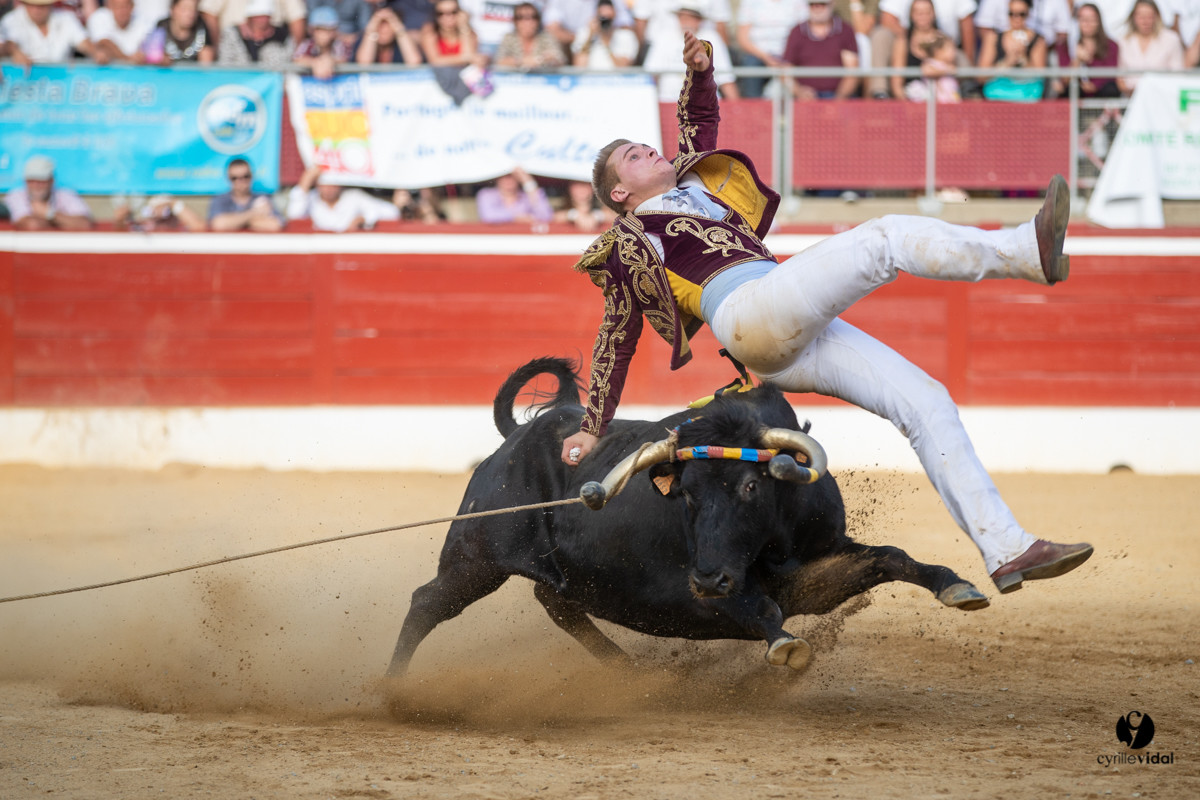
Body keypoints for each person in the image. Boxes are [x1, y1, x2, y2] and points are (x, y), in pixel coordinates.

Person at [561, 32, 1093, 595]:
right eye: (632, 156)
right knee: (884, 237)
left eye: (646, 145)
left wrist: (699, 71)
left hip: (781, 325)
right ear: (619, 194)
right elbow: (615, 339)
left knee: (926, 400)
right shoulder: (626, 241)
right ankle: (1024, 252)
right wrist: (592, 427)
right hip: (745, 312)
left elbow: (698, 126)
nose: (648, 149)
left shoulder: (698, 188)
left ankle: (1007, 548)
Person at [642, 3, 739, 101]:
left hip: (705, 103)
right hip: (669, 100)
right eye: (682, 17)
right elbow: (651, 76)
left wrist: (737, 109)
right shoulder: (664, 37)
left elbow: (726, 79)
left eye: (690, 18)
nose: (685, 22)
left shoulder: (712, 38)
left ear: (699, 20)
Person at [286, 165, 407, 231]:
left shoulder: (353, 197)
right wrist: (305, 182)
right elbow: (294, 215)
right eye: (324, 184)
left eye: (333, 183)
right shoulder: (311, 200)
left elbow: (391, 212)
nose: (329, 188)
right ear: (317, 184)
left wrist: (364, 218)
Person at [783, 0, 860, 99]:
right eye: (812, 5)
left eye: (822, 4)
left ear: (832, 4)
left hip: (837, 96)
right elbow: (785, 70)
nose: (817, 8)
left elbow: (852, 72)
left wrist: (838, 99)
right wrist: (799, 91)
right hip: (804, 98)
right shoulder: (797, 32)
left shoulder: (845, 30)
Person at [733, 0, 809, 98]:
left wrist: (787, 58)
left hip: (790, 54)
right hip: (758, 55)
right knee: (750, 65)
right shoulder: (750, 2)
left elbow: (804, 32)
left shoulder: (798, 2)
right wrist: (767, 58)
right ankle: (753, 107)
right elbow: (742, 38)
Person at [978, 0, 1048, 101]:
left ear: (1029, 14)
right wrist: (1007, 62)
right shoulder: (993, 38)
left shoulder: (1038, 40)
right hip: (998, 96)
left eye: (1021, 14)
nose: (1017, 19)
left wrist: (1023, 58)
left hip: (1027, 96)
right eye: (1012, 14)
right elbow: (981, 76)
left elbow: (1040, 77)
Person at [6, 156, 94, 231]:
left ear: (51, 180)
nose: (36, 185)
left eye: (41, 180)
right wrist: (63, 221)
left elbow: (85, 224)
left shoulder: (65, 194)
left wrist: (49, 213)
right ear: (25, 181)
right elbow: (32, 225)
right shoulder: (15, 196)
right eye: (31, 180)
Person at [1116, 0, 1184, 95]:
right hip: (1130, 100)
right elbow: (1120, 77)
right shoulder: (1123, 41)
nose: (1145, 21)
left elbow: (1177, 74)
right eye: (1140, 16)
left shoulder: (1171, 39)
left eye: (1149, 16)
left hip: (1163, 96)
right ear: (1133, 17)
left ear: (1157, 17)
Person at [1053, 2, 1119, 97]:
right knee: (1070, 90)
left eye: (1092, 19)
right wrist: (1077, 60)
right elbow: (1064, 80)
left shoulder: (1111, 46)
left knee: (1110, 89)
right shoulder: (1065, 46)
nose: (1088, 23)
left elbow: (1111, 75)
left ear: (1099, 21)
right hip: (1078, 94)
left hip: (1101, 94)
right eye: (1083, 19)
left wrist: (1095, 86)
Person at [0, 0, 95, 65]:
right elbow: (7, 44)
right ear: (24, 4)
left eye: (42, 5)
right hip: (23, 87)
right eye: (32, 4)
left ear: (51, 4)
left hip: (60, 83)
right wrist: (13, 52)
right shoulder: (10, 20)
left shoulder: (66, 18)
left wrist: (97, 53)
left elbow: (84, 43)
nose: (37, 10)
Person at [208, 158, 286, 232]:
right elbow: (218, 224)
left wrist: (235, 222)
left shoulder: (263, 198)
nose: (241, 181)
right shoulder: (220, 199)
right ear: (228, 179)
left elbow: (275, 225)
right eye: (235, 178)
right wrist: (253, 214)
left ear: (251, 176)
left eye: (245, 176)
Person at [200, 0, 305, 53]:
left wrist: (295, 53)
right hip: (233, 44)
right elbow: (209, 12)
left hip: (274, 42)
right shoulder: (232, 33)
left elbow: (297, 17)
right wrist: (217, 47)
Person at [216, 0, 293, 66]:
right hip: (238, 79)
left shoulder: (282, 35)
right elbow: (225, 62)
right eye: (257, 17)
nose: (262, 20)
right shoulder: (232, 33)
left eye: (265, 16)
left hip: (273, 80)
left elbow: (290, 59)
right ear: (249, 18)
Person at [494, 2, 566, 68]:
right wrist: (522, 61)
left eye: (533, 17)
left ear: (538, 21)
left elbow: (560, 59)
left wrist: (544, 59)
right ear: (515, 21)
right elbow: (499, 61)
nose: (528, 21)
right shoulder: (508, 38)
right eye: (521, 17)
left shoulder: (546, 37)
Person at [140, 0, 213, 63]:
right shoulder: (162, 26)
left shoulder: (201, 26)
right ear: (173, 9)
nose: (190, 14)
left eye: (193, 9)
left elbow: (206, 63)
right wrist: (161, 60)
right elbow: (151, 56)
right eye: (184, 9)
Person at [474, 166, 554, 223]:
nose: (508, 180)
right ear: (497, 178)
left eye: (512, 176)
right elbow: (488, 217)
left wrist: (528, 181)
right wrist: (518, 217)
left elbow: (545, 216)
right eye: (504, 176)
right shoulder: (486, 194)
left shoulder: (526, 197)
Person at [572, 0, 638, 68]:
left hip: (615, 77)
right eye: (602, 17)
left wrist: (606, 43)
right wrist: (590, 36)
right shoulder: (585, 34)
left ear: (615, 14)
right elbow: (579, 66)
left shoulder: (626, 36)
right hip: (590, 77)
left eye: (608, 17)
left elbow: (623, 67)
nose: (605, 21)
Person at [293, 5, 351, 77]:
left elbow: (344, 59)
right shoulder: (307, 44)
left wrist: (330, 61)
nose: (323, 34)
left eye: (327, 30)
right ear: (312, 31)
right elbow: (297, 58)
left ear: (334, 31)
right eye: (319, 29)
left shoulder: (340, 44)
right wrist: (315, 63)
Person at [87, 0, 154, 62]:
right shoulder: (99, 17)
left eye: (125, 7)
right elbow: (104, 43)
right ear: (110, 7)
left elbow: (148, 46)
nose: (122, 11)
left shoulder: (143, 20)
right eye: (118, 7)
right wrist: (127, 59)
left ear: (132, 7)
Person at [354, 4, 423, 64]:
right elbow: (364, 64)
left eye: (388, 25)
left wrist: (398, 28)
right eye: (380, 25)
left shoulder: (401, 44)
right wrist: (372, 27)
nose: (384, 31)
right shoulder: (364, 40)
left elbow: (414, 62)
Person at [419, 0, 481, 65]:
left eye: (453, 12)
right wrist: (464, 58)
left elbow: (469, 54)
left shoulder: (469, 32)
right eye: (441, 13)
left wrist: (463, 27)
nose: (448, 17)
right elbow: (435, 60)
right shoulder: (430, 33)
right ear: (435, 16)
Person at [904, 30, 961, 100]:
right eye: (950, 49)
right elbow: (927, 71)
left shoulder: (951, 65)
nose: (954, 52)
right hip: (936, 101)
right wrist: (946, 71)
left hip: (949, 99)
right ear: (938, 51)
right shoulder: (931, 62)